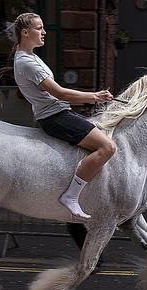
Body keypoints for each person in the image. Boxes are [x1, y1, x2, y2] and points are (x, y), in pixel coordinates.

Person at [12, 12, 116, 220]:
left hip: (58, 113)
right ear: (25, 32)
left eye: (43, 27)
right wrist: (95, 96)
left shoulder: (31, 57)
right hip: (55, 117)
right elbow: (59, 93)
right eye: (39, 28)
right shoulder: (26, 62)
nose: (44, 32)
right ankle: (71, 196)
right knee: (108, 147)